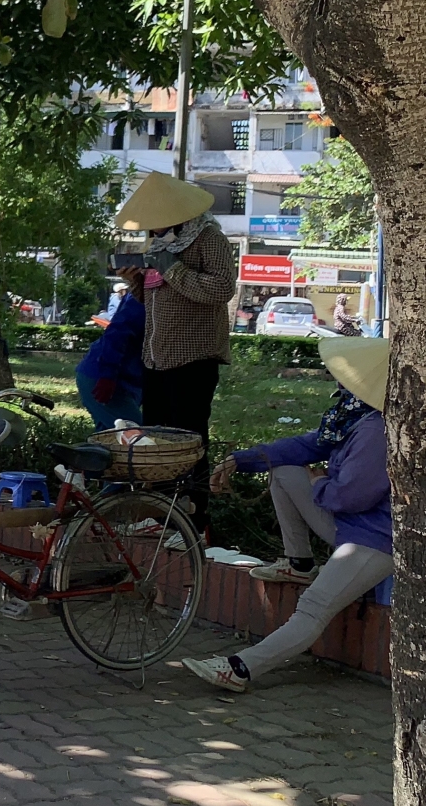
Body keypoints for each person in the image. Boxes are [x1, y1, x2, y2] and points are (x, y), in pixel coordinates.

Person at [184, 337, 393, 692]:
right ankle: (298, 563)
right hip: (349, 528)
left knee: (313, 607)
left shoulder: (376, 430)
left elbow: (351, 496)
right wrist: (244, 460)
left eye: (346, 376)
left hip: (373, 540)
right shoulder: (354, 417)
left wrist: (319, 484)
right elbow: (306, 446)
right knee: (284, 469)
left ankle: (241, 669)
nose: (337, 381)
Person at [113, 172, 236, 529]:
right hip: (157, 358)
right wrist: (134, 279)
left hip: (194, 358)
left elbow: (221, 290)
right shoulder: (158, 245)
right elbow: (155, 299)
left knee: (187, 440)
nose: (153, 228)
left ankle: (194, 520)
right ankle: (161, 513)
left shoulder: (208, 239)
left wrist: (173, 268)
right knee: (156, 442)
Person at [74, 284, 144, 430]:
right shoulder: (142, 294)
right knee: (138, 438)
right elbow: (118, 332)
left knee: (110, 441)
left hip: (125, 378)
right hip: (103, 377)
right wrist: (108, 374)